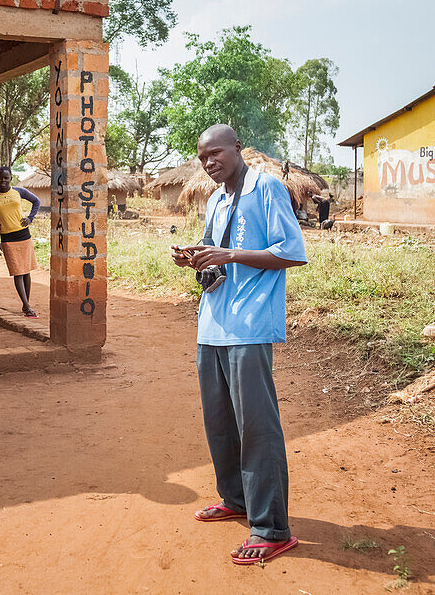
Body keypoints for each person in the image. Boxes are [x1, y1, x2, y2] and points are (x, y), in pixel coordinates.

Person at [170, 125, 307, 565]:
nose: (210, 162)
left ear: (237, 148)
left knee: (257, 428)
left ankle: (272, 529)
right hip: (212, 324)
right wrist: (197, 255)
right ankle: (236, 499)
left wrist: (230, 255)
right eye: (203, 157)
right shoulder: (215, 199)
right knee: (221, 423)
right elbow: (216, 254)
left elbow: (291, 252)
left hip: (250, 325)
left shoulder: (266, 187)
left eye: (216, 153)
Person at [0, 166, 41, 318]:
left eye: (6, 177)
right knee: (17, 273)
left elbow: (36, 201)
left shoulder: (19, 192)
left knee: (26, 272)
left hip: (24, 236)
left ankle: (26, 305)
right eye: (0, 178)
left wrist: (30, 218)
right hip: (8, 239)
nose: (3, 180)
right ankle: (26, 306)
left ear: (11, 178)